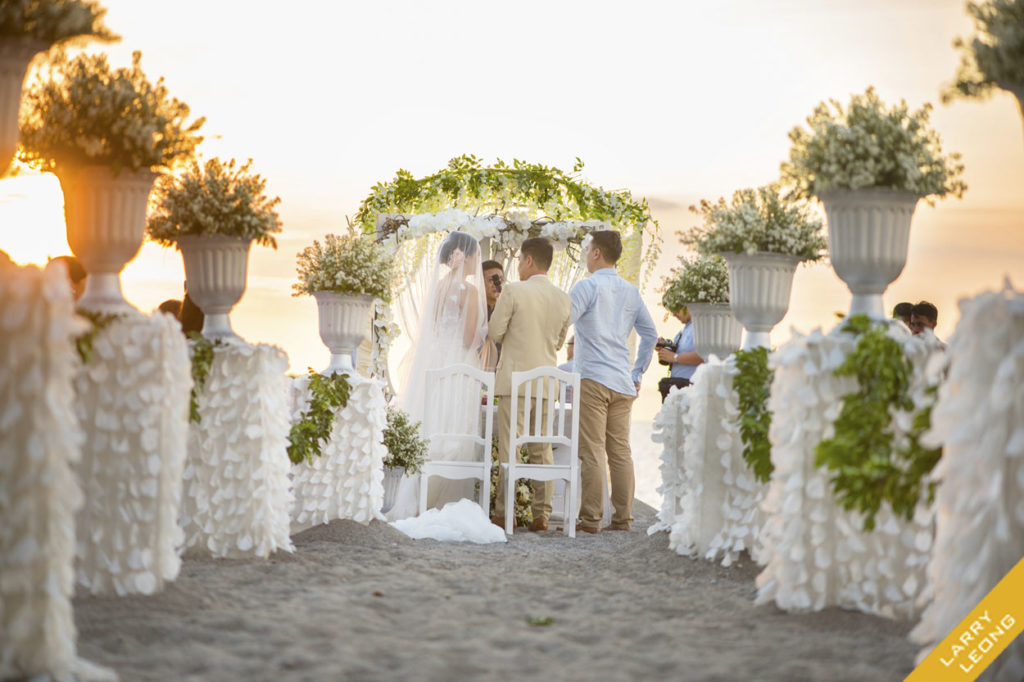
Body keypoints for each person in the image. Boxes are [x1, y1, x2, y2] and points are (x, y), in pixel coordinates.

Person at [391, 231, 488, 518]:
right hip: (458, 365)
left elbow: (432, 331)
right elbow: (469, 338)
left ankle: (420, 498)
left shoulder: (439, 287)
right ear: (463, 256)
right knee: (455, 428)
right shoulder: (468, 291)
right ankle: (447, 502)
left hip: (435, 363)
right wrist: (486, 335)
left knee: (434, 425)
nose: (476, 261)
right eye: (474, 255)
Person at [570, 231, 657, 534]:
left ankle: (591, 519)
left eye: (588, 249)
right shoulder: (630, 292)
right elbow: (651, 334)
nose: (585, 254)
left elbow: (562, 321)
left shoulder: (586, 287)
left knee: (592, 450)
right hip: (622, 381)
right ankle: (623, 518)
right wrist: (637, 372)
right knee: (620, 452)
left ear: (596, 253)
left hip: (593, 377)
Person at [488, 237, 571, 532]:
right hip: (548, 385)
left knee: (509, 449)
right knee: (541, 450)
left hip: (516, 382)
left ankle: (503, 513)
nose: (520, 266)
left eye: (521, 260)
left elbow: (495, 332)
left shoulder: (513, 291)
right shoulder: (564, 298)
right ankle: (542, 515)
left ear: (529, 261)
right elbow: (560, 342)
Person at [656, 303, 702, 403]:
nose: (674, 314)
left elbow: (703, 356)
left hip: (691, 390)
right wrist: (665, 349)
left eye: (676, 309)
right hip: (676, 389)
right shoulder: (685, 329)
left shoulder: (701, 326)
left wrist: (675, 357)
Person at [481, 260, 505, 371]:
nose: (497, 284)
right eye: (492, 280)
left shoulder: (507, 309)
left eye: (500, 280)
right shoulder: (475, 309)